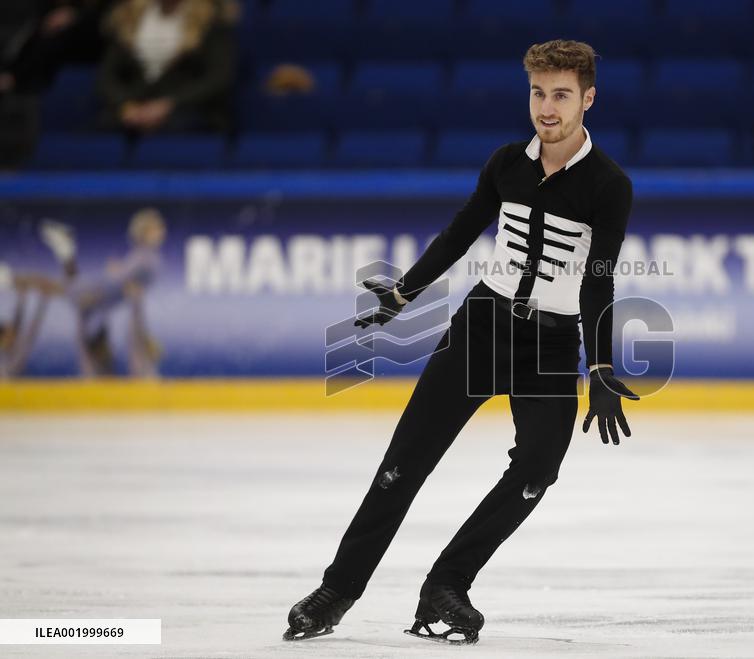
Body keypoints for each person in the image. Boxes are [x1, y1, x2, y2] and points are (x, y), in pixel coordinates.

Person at [282, 40, 640, 646]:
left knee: (536, 470)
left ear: (588, 98)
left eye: (560, 95)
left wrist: (601, 364)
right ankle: (338, 590)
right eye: (537, 93)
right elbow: (457, 236)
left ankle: (446, 585)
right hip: (483, 329)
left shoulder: (608, 184)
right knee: (403, 466)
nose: (546, 109)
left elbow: (598, 278)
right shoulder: (506, 164)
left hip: (551, 348)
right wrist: (404, 294)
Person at [39, 208, 166, 377]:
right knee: (68, 290)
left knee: (69, 291)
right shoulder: (144, 256)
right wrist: (119, 275)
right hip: (102, 293)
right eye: (156, 229)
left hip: (105, 297)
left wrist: (119, 274)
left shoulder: (147, 257)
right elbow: (121, 279)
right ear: (145, 232)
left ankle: (65, 251)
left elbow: (126, 279)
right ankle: (65, 250)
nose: (162, 232)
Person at [97, 0, 236, 134]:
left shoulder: (211, 18)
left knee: (180, 128)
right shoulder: (127, 15)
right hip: (133, 107)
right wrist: (125, 105)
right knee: (101, 128)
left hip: (189, 108)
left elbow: (218, 77)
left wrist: (170, 104)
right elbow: (108, 75)